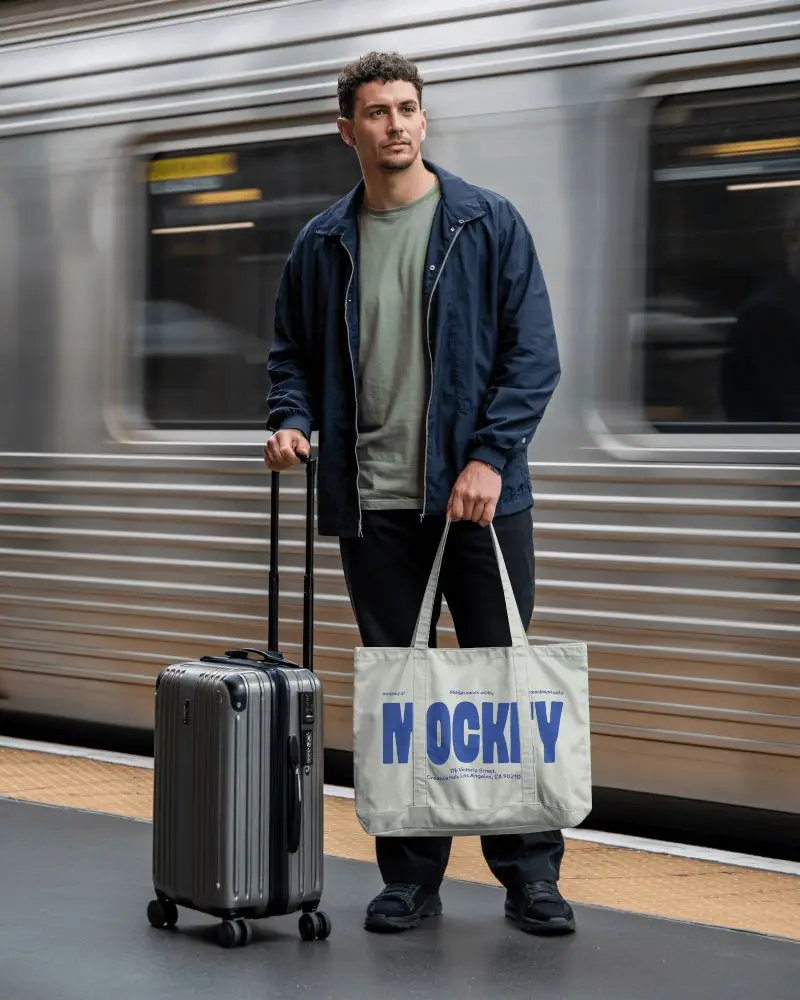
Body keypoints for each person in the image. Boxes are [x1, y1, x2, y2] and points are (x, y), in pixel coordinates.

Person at [264, 51, 572, 936]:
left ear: (424, 121)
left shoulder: (486, 223)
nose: (395, 123)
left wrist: (488, 457)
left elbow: (532, 356)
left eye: (407, 108)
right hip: (373, 505)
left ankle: (530, 878)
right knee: (403, 700)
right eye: (376, 111)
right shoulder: (323, 243)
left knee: (500, 688)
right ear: (346, 130)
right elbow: (290, 354)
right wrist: (289, 419)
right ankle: (411, 878)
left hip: (479, 501)